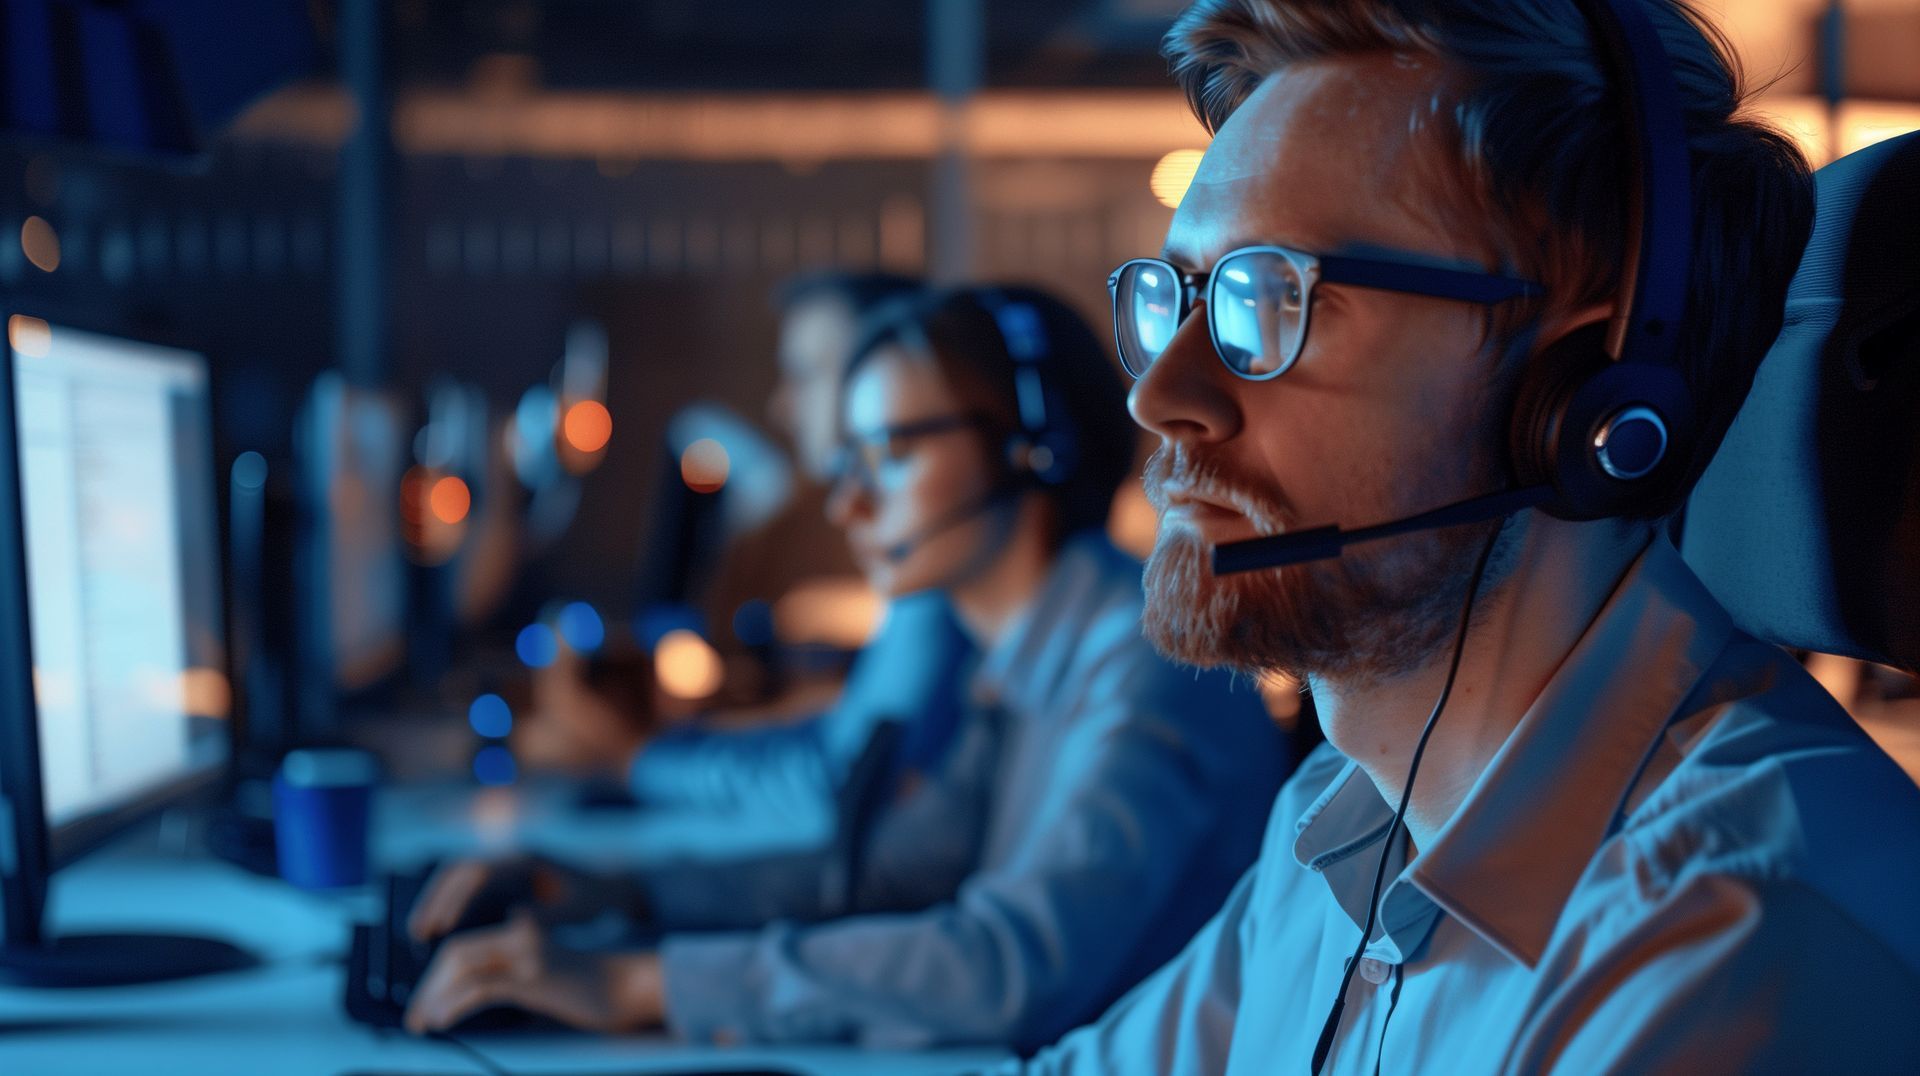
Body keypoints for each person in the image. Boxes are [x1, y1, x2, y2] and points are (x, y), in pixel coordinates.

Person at [1003, 1, 1920, 1072]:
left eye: (1271, 297)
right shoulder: (1346, 818)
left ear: (1583, 391)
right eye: (1184, 297)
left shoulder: (1728, 948)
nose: (1161, 395)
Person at [402, 285, 1294, 1051]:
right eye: (852, 460)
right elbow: (894, 876)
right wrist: (601, 891)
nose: (849, 502)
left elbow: (1006, 964)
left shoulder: (1148, 666)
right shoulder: (1013, 661)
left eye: (894, 456)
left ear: (1035, 448)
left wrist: (644, 986)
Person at [523, 271, 978, 817]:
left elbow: (836, 780)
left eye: (804, 375)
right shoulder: (926, 568)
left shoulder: (942, 565)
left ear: (885, 375)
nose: (782, 408)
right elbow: (840, 746)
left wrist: (633, 760)